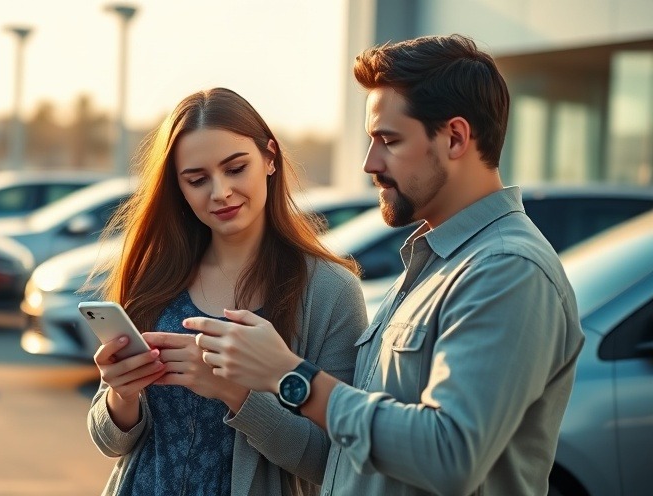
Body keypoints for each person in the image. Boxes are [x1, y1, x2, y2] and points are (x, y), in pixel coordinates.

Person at [186, 35, 585, 495]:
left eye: (388, 141)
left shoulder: (507, 270)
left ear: (455, 137)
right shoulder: (436, 262)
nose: (368, 163)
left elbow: (449, 454)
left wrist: (289, 376)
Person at [86, 87, 368, 496]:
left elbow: (332, 461)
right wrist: (120, 394)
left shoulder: (330, 292)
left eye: (235, 168)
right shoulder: (154, 277)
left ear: (270, 158)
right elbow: (110, 442)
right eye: (197, 179)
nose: (219, 192)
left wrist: (232, 391)